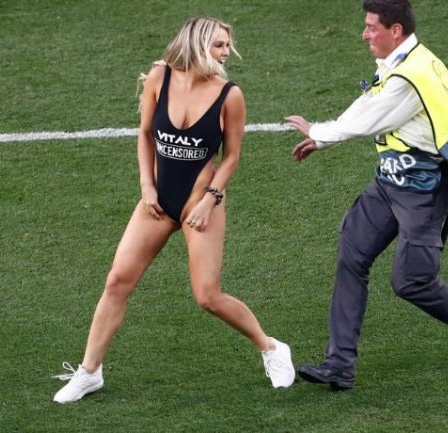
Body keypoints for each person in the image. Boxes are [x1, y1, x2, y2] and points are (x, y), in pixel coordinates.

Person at [53, 17, 295, 404]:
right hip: (157, 200)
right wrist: (146, 186)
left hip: (201, 202)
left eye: (227, 45)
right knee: (117, 282)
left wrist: (210, 199)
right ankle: (89, 372)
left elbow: (232, 156)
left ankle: (271, 348)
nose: (226, 52)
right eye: (219, 45)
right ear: (197, 44)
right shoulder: (159, 78)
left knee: (207, 296)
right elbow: (145, 133)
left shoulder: (229, 95)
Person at [285, 0, 448, 391]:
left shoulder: (411, 77)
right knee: (352, 254)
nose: (364, 34)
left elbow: (372, 118)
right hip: (390, 181)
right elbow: (371, 101)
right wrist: (323, 138)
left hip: (424, 189)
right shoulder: (402, 62)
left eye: (371, 27)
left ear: (395, 30)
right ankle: (339, 364)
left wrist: (318, 131)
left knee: (411, 281)